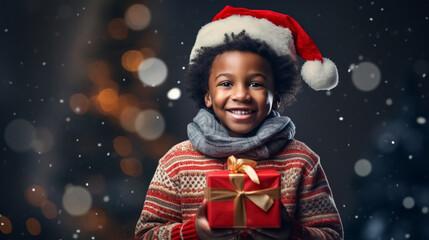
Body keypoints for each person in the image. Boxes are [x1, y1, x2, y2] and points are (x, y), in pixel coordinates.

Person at [135, 5, 343, 240]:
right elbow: (146, 235)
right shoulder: (177, 162)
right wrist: (194, 232)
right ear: (207, 95)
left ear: (276, 95)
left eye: (256, 84)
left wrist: (291, 232)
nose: (241, 95)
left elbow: (332, 235)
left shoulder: (301, 162)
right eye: (226, 83)